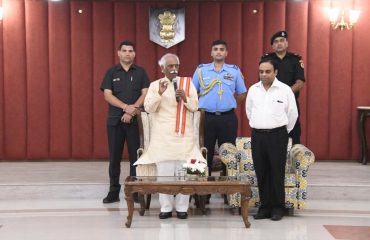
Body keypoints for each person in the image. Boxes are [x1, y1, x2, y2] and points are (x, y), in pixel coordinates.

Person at [134, 53, 205, 220]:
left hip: (184, 137)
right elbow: (149, 108)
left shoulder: (188, 84)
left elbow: (195, 107)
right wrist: (159, 93)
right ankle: (165, 208)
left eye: (176, 66)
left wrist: (185, 98)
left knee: (185, 172)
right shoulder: (154, 85)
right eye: (170, 66)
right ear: (162, 68)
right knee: (164, 173)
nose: (174, 69)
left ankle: (182, 208)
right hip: (163, 137)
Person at [246, 58, 298, 221]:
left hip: (278, 136)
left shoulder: (285, 90)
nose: (264, 74)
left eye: (267, 71)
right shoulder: (253, 89)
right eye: (261, 71)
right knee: (261, 172)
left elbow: (292, 114)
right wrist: (259, 125)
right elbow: (249, 111)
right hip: (258, 136)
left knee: (276, 172)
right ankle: (264, 207)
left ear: (275, 72)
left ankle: (278, 207)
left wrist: (282, 132)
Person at [100, 40, 150, 204]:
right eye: (125, 51)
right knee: (114, 158)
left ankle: (135, 191)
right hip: (115, 121)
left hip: (135, 121)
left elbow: (145, 93)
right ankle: (113, 192)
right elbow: (107, 95)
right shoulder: (111, 72)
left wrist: (133, 109)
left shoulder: (141, 72)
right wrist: (125, 107)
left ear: (134, 54)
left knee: (135, 158)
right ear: (119, 53)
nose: (128, 53)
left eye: (130, 51)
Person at [191, 40, 247, 176]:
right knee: (204, 151)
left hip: (227, 118)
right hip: (206, 117)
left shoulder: (234, 71)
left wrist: (229, 103)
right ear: (211, 53)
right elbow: (192, 92)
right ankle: (202, 190)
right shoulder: (201, 70)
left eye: (222, 49)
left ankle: (227, 189)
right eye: (215, 49)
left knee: (228, 153)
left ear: (226, 53)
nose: (218, 51)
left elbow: (242, 93)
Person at [261, 31, 305, 145]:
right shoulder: (266, 60)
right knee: (271, 132)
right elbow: (263, 81)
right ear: (272, 46)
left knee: (294, 133)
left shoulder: (295, 59)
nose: (279, 43)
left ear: (287, 43)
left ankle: (294, 161)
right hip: (271, 102)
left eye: (282, 41)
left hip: (291, 102)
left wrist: (285, 94)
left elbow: (300, 82)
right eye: (276, 42)